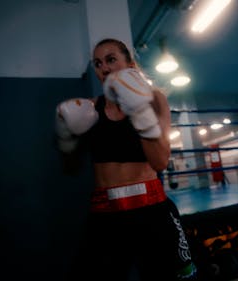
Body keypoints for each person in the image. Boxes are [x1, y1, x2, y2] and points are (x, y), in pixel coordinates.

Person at [54, 38, 198, 281]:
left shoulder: (154, 99)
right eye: (98, 64)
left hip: (151, 210)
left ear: (130, 64)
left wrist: (139, 111)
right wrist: (64, 137)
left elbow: (160, 162)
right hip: (105, 215)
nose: (104, 68)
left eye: (111, 60)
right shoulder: (89, 108)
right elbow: (71, 169)